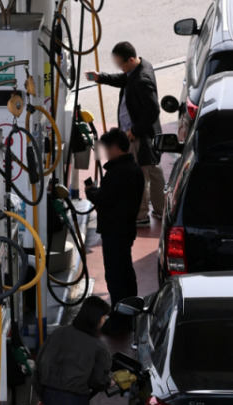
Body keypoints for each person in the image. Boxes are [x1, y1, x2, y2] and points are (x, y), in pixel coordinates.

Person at [85, 41, 165, 222]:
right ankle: (160, 208)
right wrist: (101, 77)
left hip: (138, 135)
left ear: (130, 59)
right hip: (146, 134)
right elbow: (123, 79)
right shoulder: (140, 67)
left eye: (121, 65)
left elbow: (153, 110)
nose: (121, 69)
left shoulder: (142, 80)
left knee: (139, 175)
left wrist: (134, 131)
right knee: (153, 170)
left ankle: (141, 215)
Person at [83, 129, 145, 327]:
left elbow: (105, 197)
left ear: (117, 148)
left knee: (116, 275)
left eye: (108, 149)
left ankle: (119, 321)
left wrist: (91, 192)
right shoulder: (133, 169)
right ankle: (130, 312)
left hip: (114, 231)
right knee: (126, 272)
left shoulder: (117, 173)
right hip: (126, 230)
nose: (107, 153)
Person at [32, 297, 112, 405]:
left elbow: (39, 366)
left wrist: (43, 395)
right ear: (96, 319)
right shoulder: (97, 346)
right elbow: (98, 380)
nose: (105, 320)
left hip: (51, 397)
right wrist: (109, 382)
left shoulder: (57, 333)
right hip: (75, 401)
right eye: (104, 317)